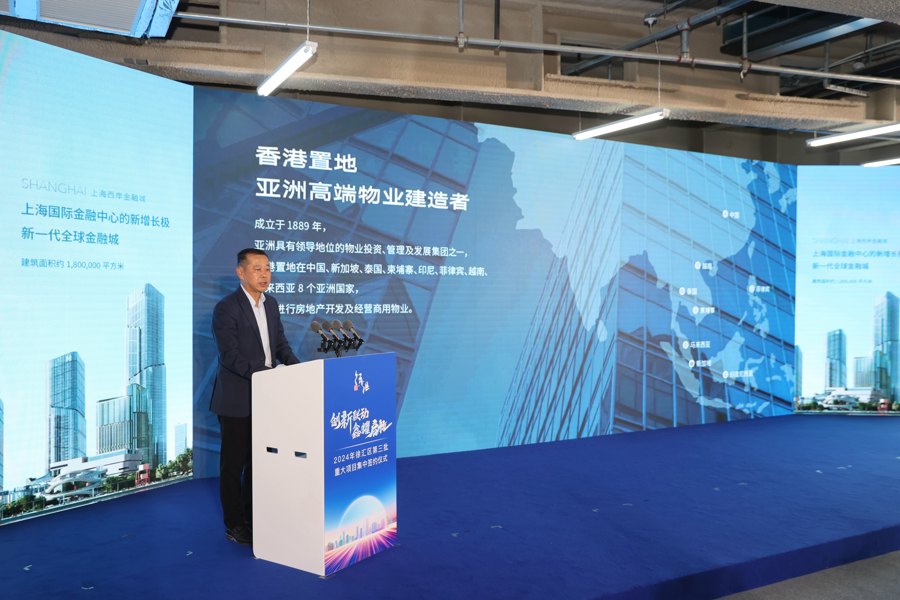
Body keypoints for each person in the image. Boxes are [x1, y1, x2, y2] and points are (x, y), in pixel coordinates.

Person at [210, 248, 300, 546]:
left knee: (259, 463)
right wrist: (267, 374)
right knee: (233, 466)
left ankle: (254, 517)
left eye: (267, 269)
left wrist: (299, 369)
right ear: (241, 272)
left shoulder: (271, 304)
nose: (264, 275)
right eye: (257, 269)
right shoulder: (226, 308)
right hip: (237, 400)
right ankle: (234, 525)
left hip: (267, 398)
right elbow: (230, 356)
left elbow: (280, 345)